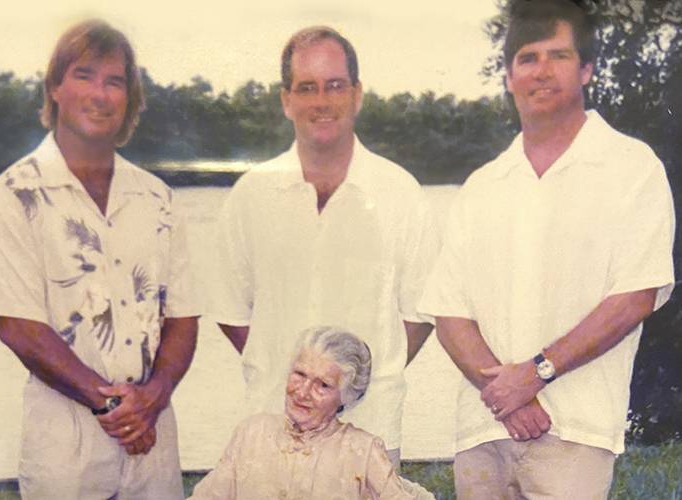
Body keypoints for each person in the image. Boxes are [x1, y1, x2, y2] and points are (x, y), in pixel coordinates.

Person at [417, 1, 675, 498]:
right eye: (527, 58)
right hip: (483, 429)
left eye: (557, 55)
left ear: (586, 70)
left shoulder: (631, 168)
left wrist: (536, 374)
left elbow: (634, 297)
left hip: (575, 432)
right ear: (509, 76)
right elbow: (449, 314)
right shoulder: (482, 185)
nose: (540, 71)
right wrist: (509, 398)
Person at [0, 19, 200, 499]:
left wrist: (153, 398)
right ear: (55, 87)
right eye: (84, 74)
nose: (99, 93)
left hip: (153, 439)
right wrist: (118, 408)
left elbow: (182, 317)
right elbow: (19, 327)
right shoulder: (14, 195)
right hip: (65, 446)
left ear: (129, 97)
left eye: (114, 81)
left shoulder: (157, 199)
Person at [208, 26, 434, 467]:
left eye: (335, 85)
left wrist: (355, 384)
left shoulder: (400, 193)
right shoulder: (251, 196)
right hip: (271, 429)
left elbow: (420, 314)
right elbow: (232, 314)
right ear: (286, 99)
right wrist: (288, 375)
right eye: (306, 87)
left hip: (371, 431)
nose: (322, 101)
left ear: (357, 94)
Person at [189, 326, 436, 499]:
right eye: (300, 374)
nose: (303, 392)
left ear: (345, 397)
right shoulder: (252, 433)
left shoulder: (363, 451)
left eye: (323, 385)